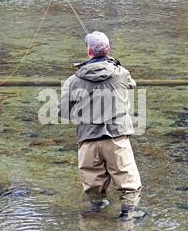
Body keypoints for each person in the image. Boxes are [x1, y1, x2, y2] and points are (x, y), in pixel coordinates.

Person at [59, 31, 142, 220]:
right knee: (128, 183)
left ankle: (97, 211)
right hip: (117, 137)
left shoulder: (72, 81)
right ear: (108, 50)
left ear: (88, 52)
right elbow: (132, 85)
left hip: (88, 139)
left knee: (92, 184)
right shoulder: (121, 73)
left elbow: (63, 112)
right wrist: (112, 62)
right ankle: (127, 216)